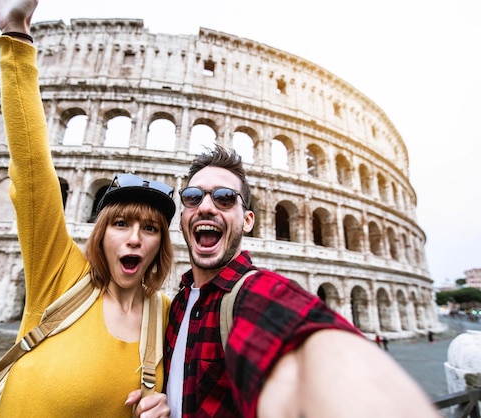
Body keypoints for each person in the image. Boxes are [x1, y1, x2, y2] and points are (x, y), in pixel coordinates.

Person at [0, 1, 172, 416]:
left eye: (151, 228)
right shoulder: (60, 274)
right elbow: (33, 169)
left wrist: (163, 407)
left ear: (162, 243)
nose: (135, 238)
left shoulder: (165, 315)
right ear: (100, 231)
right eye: (121, 223)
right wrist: (15, 35)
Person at [158, 145, 440, 417]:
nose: (206, 206)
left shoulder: (257, 293)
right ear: (182, 214)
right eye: (193, 197)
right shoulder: (178, 304)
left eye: (225, 198)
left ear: (248, 220)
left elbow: (312, 355)